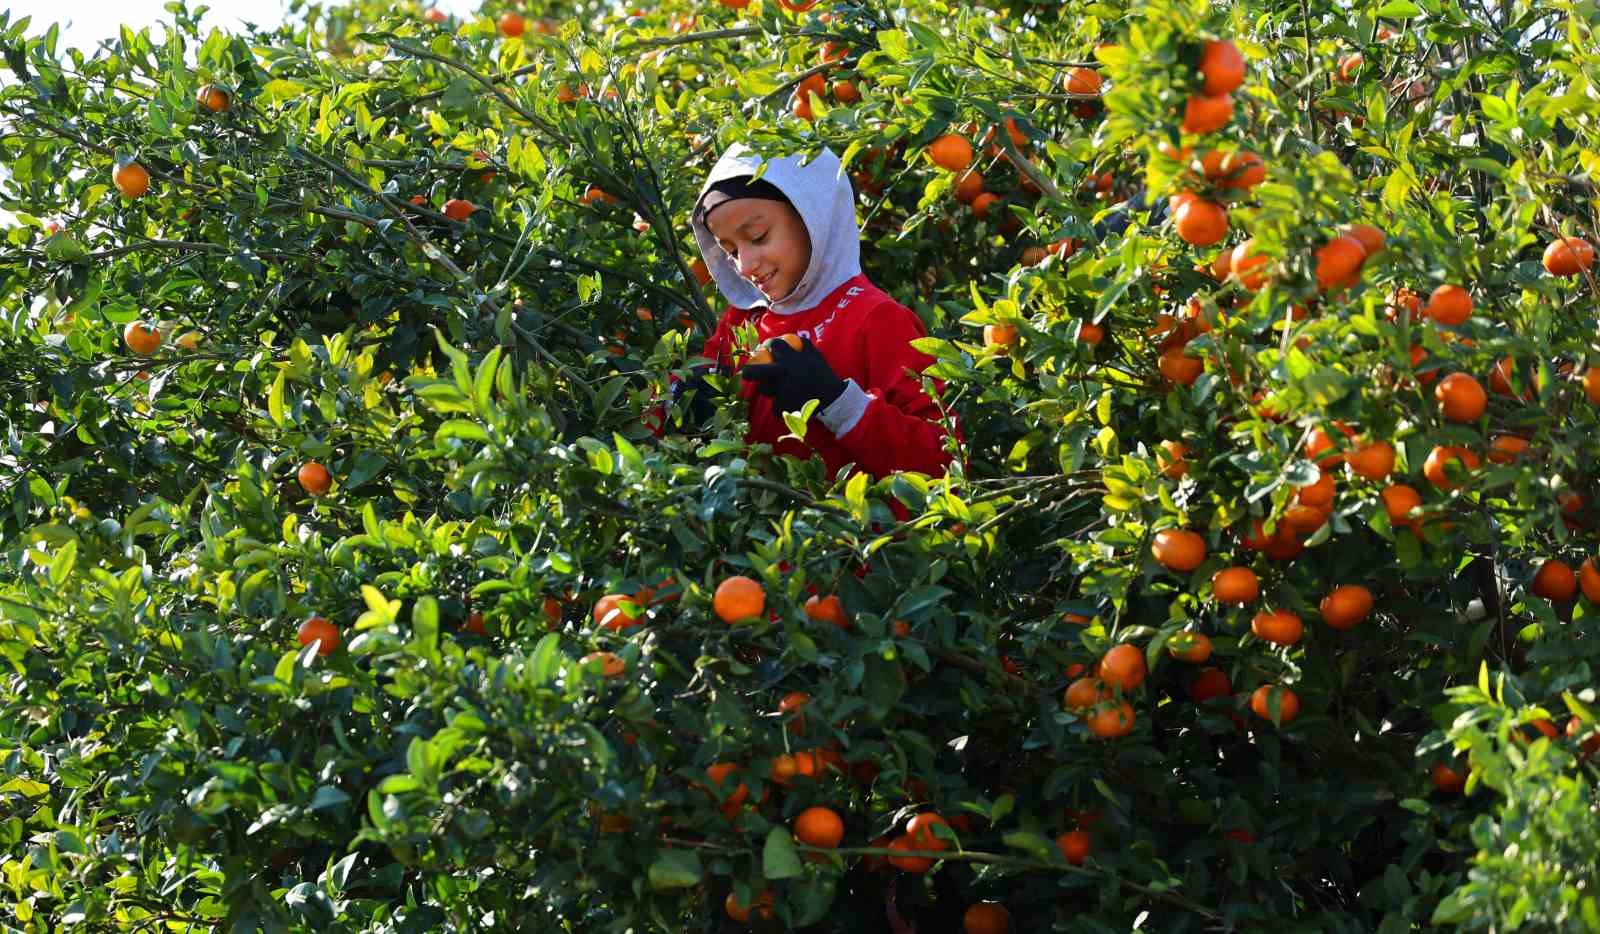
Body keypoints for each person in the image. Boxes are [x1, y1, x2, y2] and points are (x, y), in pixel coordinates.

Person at [654, 143, 958, 482]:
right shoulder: (743, 322)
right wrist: (678, 406)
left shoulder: (877, 319)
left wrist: (836, 400)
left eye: (758, 236)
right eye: (730, 251)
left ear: (813, 214)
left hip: (850, 531)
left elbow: (944, 464)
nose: (745, 265)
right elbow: (655, 422)